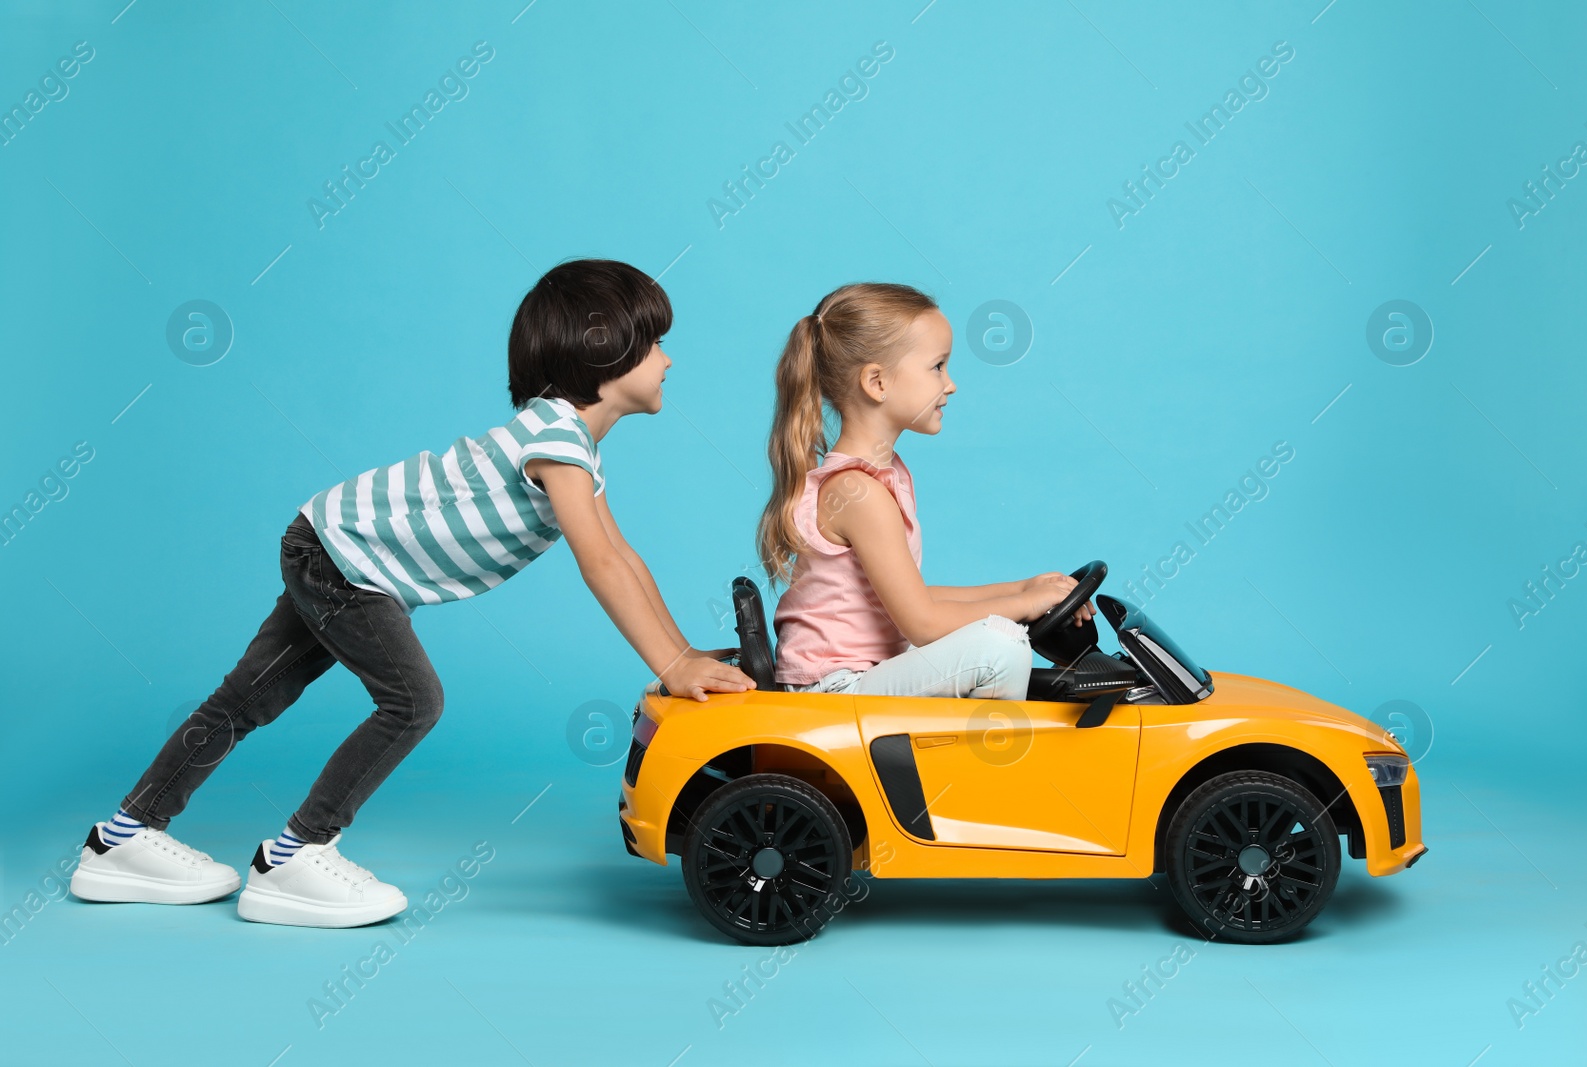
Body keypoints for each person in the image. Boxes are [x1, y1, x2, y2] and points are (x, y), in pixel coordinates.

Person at [70, 259, 753, 927]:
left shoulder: (573, 445)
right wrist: (670, 665)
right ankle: (295, 853)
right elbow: (599, 562)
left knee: (250, 695)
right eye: (656, 342)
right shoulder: (555, 437)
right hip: (342, 560)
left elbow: (624, 557)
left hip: (331, 545)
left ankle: (121, 836)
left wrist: (685, 653)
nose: (668, 359)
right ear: (606, 351)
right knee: (413, 701)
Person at [757, 282, 1093, 699]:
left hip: (860, 677)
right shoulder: (858, 493)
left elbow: (914, 599)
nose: (950, 385)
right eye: (937, 367)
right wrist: (1023, 606)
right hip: (835, 689)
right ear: (877, 382)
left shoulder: (879, 477)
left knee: (996, 634)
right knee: (1000, 646)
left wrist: (1023, 588)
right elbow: (923, 623)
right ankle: (982, 763)